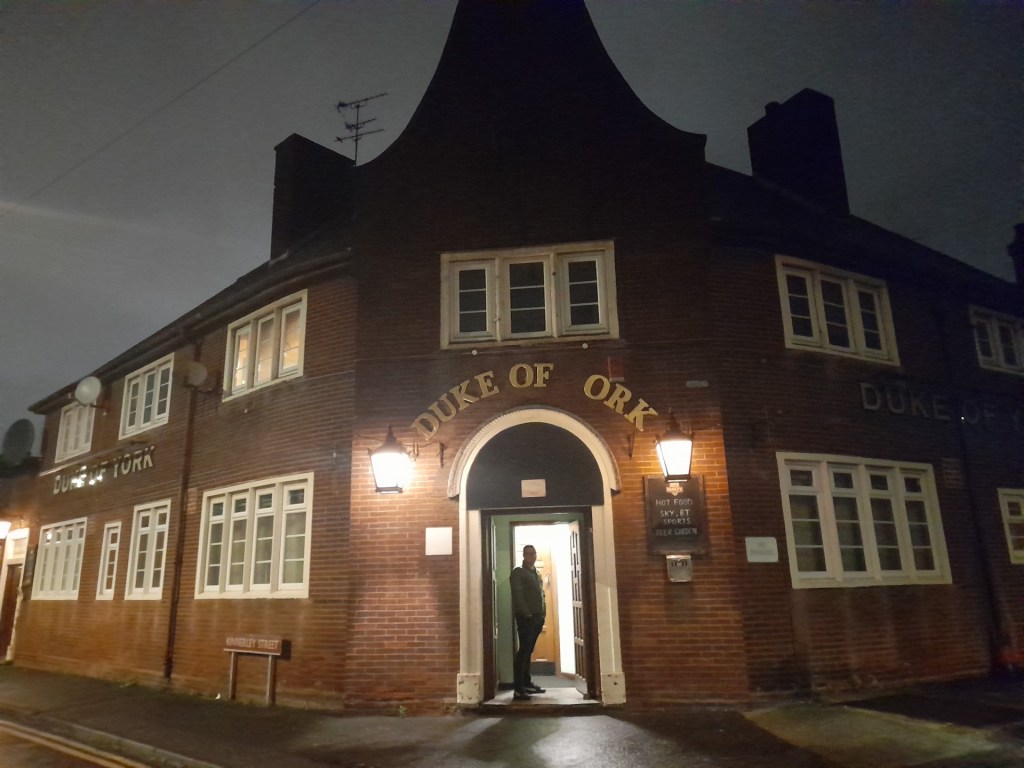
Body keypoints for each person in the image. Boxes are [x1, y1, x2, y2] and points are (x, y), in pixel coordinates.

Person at [510, 544, 547, 700]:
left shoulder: (535, 573)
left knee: (528, 651)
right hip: (526, 618)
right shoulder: (518, 572)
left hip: (538, 617)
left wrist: (542, 614)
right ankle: (518, 689)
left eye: (534, 553)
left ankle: (527, 683)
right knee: (524, 651)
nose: (532, 556)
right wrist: (527, 614)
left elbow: (540, 594)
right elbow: (518, 595)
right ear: (524, 555)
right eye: (529, 553)